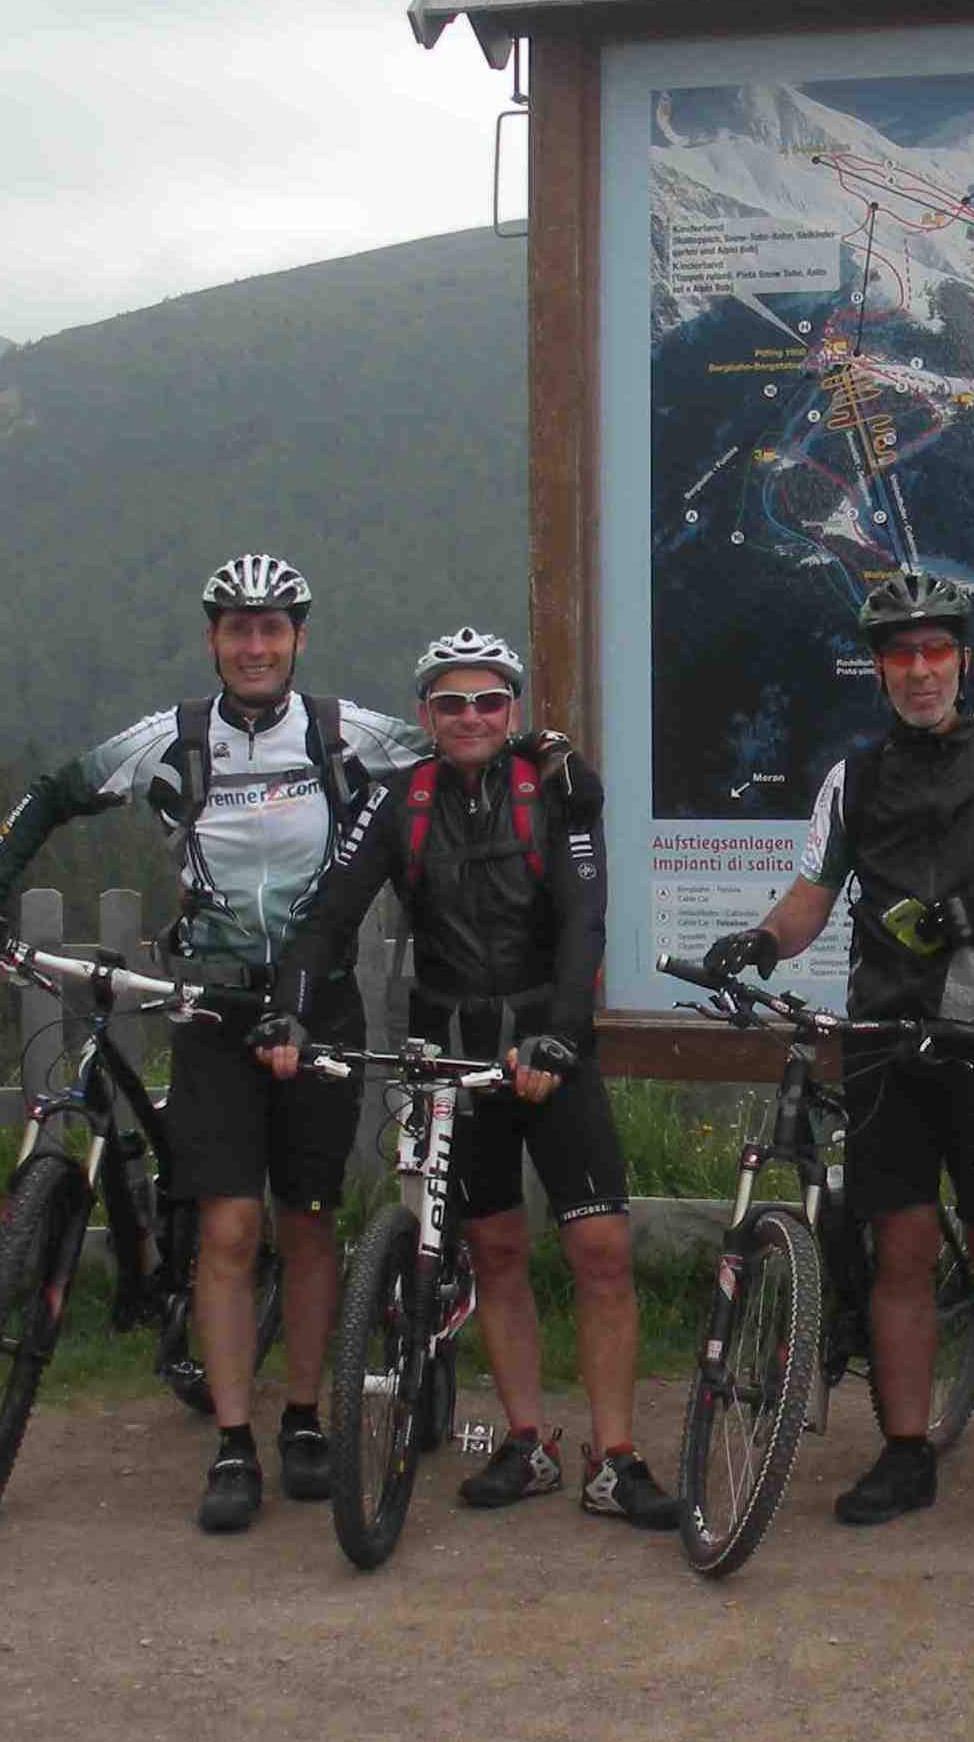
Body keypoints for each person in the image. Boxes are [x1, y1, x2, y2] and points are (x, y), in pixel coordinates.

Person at [0, 554, 428, 1533]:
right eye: (237, 627)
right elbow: (49, 793)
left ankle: (303, 1419)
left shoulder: (347, 733)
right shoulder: (170, 737)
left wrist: (541, 759)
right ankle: (234, 1440)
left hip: (321, 1005)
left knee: (310, 1218)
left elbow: (457, 763)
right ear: (213, 637)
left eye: (272, 627)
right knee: (226, 1227)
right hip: (209, 1008)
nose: (255, 644)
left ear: (297, 636)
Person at [258, 627, 678, 1530]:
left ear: (513, 710)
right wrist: (288, 1004)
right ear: (426, 716)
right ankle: (526, 1440)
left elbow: (582, 921)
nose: (472, 716)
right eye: (452, 703)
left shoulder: (553, 790)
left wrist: (560, 1036)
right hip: (449, 1045)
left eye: (490, 700)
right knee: (493, 1251)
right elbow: (329, 914)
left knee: (600, 1250)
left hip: (548, 1040)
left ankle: (614, 1455)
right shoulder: (397, 800)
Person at [702, 570, 974, 1529]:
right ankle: (906, 1450)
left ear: (962, 659)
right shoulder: (856, 776)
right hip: (883, 1041)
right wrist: (758, 940)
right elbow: (810, 899)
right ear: (878, 671)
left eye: (936, 652)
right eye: (900, 656)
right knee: (902, 1252)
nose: (920, 672)